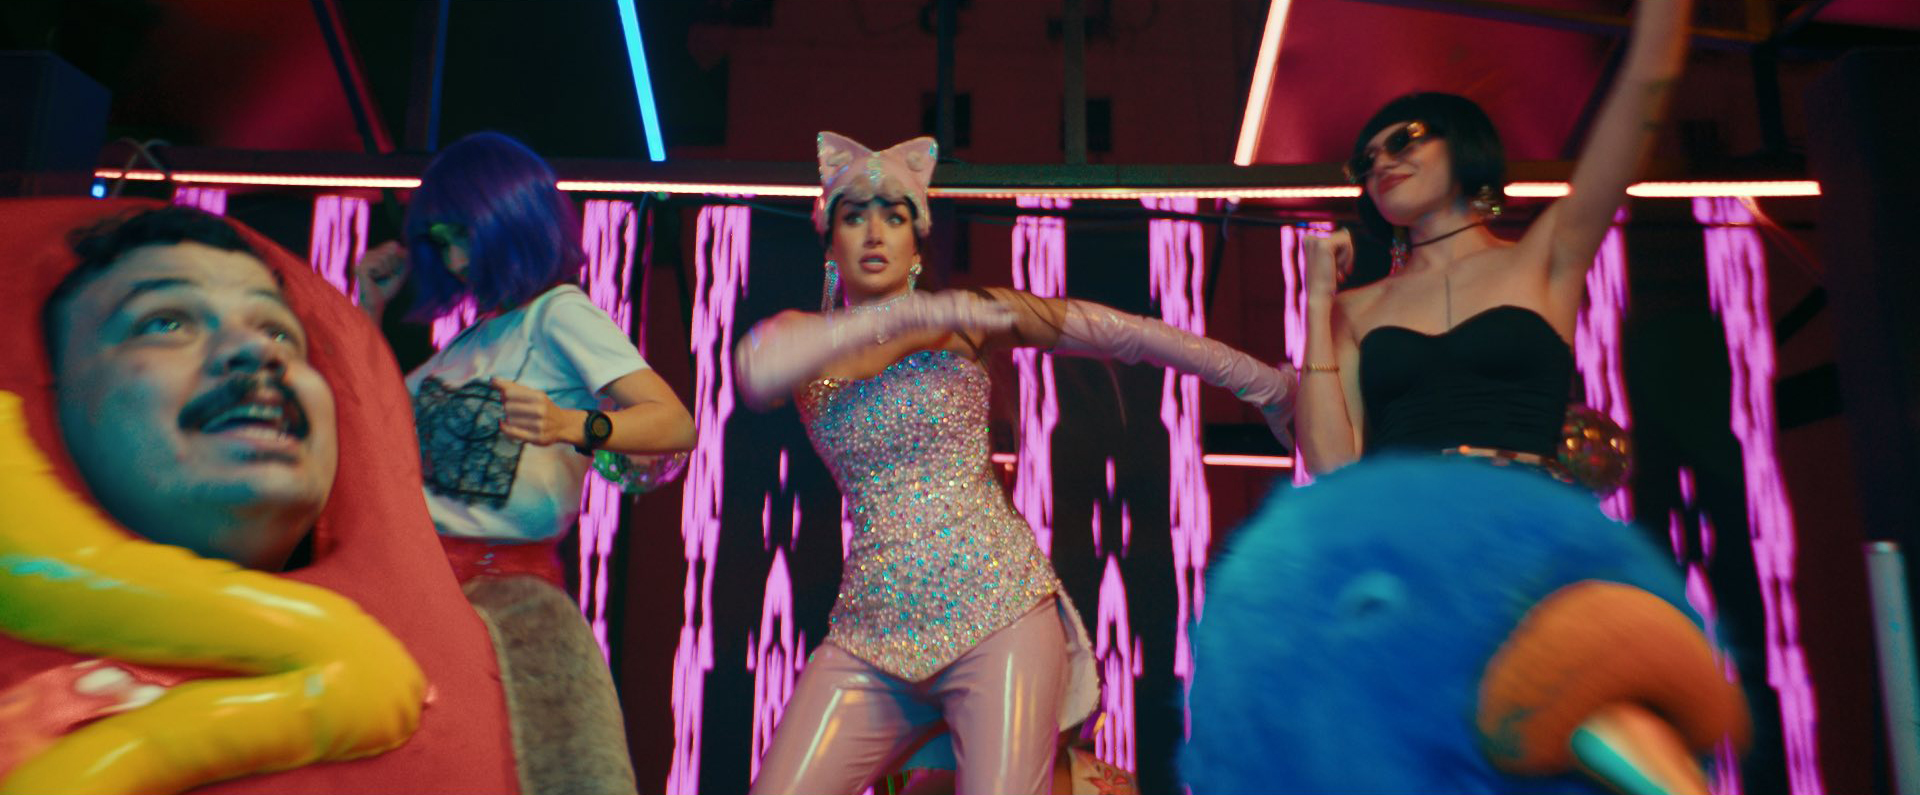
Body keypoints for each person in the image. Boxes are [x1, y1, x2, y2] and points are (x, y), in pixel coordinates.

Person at [732, 132, 1297, 795]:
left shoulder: (966, 322)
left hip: (997, 616)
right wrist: (923, 314)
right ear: (829, 240)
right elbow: (758, 371)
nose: (875, 233)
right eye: (854, 216)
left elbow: (1125, 332)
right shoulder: (798, 338)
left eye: (895, 216)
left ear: (918, 240)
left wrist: (1264, 384)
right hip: (870, 639)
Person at [1, 201, 521, 793]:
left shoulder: (526, 683)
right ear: (46, 395)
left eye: (279, 332)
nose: (258, 352)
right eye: (165, 323)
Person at [353, 131, 690, 795]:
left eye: (464, 236)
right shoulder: (465, 344)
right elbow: (361, 427)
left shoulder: (557, 314)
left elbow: (674, 422)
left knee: (570, 775)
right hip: (413, 590)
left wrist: (573, 425)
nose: (455, 258)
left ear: (510, 220)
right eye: (442, 241)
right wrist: (369, 305)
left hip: (507, 594)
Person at [1292, 0, 1694, 477]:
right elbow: (1331, 468)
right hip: (1406, 520)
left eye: (1404, 140)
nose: (1381, 163)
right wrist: (1318, 300)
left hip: (1521, 515)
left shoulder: (1544, 256)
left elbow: (1642, 91)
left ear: (1462, 143)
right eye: (1366, 161)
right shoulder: (1353, 308)